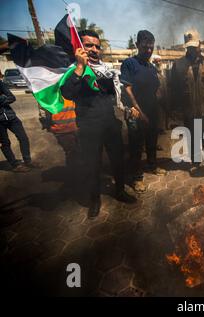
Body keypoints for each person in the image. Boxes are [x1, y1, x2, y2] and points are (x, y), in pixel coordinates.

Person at [61, 30, 136, 219]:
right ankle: (95, 200)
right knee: (92, 165)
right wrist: (80, 66)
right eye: (89, 45)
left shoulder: (108, 70)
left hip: (110, 123)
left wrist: (127, 109)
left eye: (97, 46)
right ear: (80, 48)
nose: (94, 49)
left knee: (118, 160)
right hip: (89, 127)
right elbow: (68, 93)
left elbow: (117, 97)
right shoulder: (74, 70)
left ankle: (119, 191)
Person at [121, 30, 167, 194]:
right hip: (136, 112)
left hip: (152, 110)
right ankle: (136, 178)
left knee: (152, 141)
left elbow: (155, 89)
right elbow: (127, 89)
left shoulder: (151, 67)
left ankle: (152, 165)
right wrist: (140, 112)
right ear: (137, 45)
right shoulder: (129, 63)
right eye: (145, 46)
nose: (148, 50)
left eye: (151, 47)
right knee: (136, 146)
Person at [171, 30, 204, 173]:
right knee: (192, 138)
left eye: (194, 46)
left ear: (199, 44)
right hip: (189, 109)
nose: (192, 50)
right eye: (189, 47)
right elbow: (175, 89)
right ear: (186, 46)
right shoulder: (178, 65)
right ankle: (195, 162)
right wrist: (177, 110)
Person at [0, 78, 40, 172]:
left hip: (12, 117)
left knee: (23, 138)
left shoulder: (0, 84)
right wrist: (3, 97)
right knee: (5, 143)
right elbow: (7, 98)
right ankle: (15, 165)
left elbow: (12, 97)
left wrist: (1, 98)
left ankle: (28, 161)